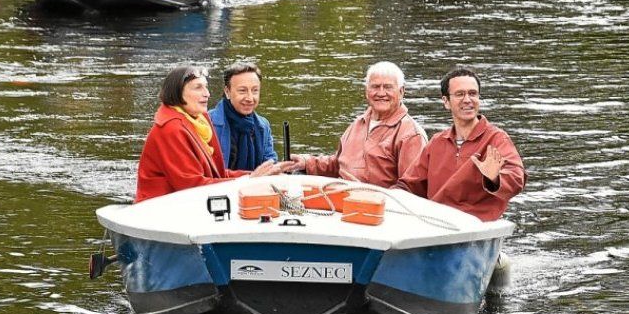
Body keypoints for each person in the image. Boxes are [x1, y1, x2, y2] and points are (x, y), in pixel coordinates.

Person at [395, 68, 526, 222]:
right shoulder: (437, 142)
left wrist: (495, 179)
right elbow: (409, 185)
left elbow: (516, 179)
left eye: (472, 93)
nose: (467, 99)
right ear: (446, 101)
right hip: (437, 225)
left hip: (475, 226)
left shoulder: (496, 139)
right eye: (460, 94)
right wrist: (383, 196)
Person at [136, 66, 279, 203]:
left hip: (184, 202)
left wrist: (255, 176)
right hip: (159, 208)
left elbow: (218, 174)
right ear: (178, 92)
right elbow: (192, 186)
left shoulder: (199, 121)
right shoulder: (171, 128)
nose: (207, 93)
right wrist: (249, 181)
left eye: (206, 87)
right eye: (198, 88)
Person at [282, 62, 427, 188]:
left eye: (388, 87)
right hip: (343, 202)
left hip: (381, 210)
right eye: (375, 87)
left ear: (401, 92)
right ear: (366, 92)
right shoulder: (358, 124)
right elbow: (337, 164)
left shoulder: (411, 134)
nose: (381, 93)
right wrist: (307, 163)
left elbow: (411, 187)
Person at [209, 62, 278, 171]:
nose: (250, 98)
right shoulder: (207, 123)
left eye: (255, 91)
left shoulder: (263, 125)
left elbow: (270, 162)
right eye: (242, 91)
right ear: (227, 92)